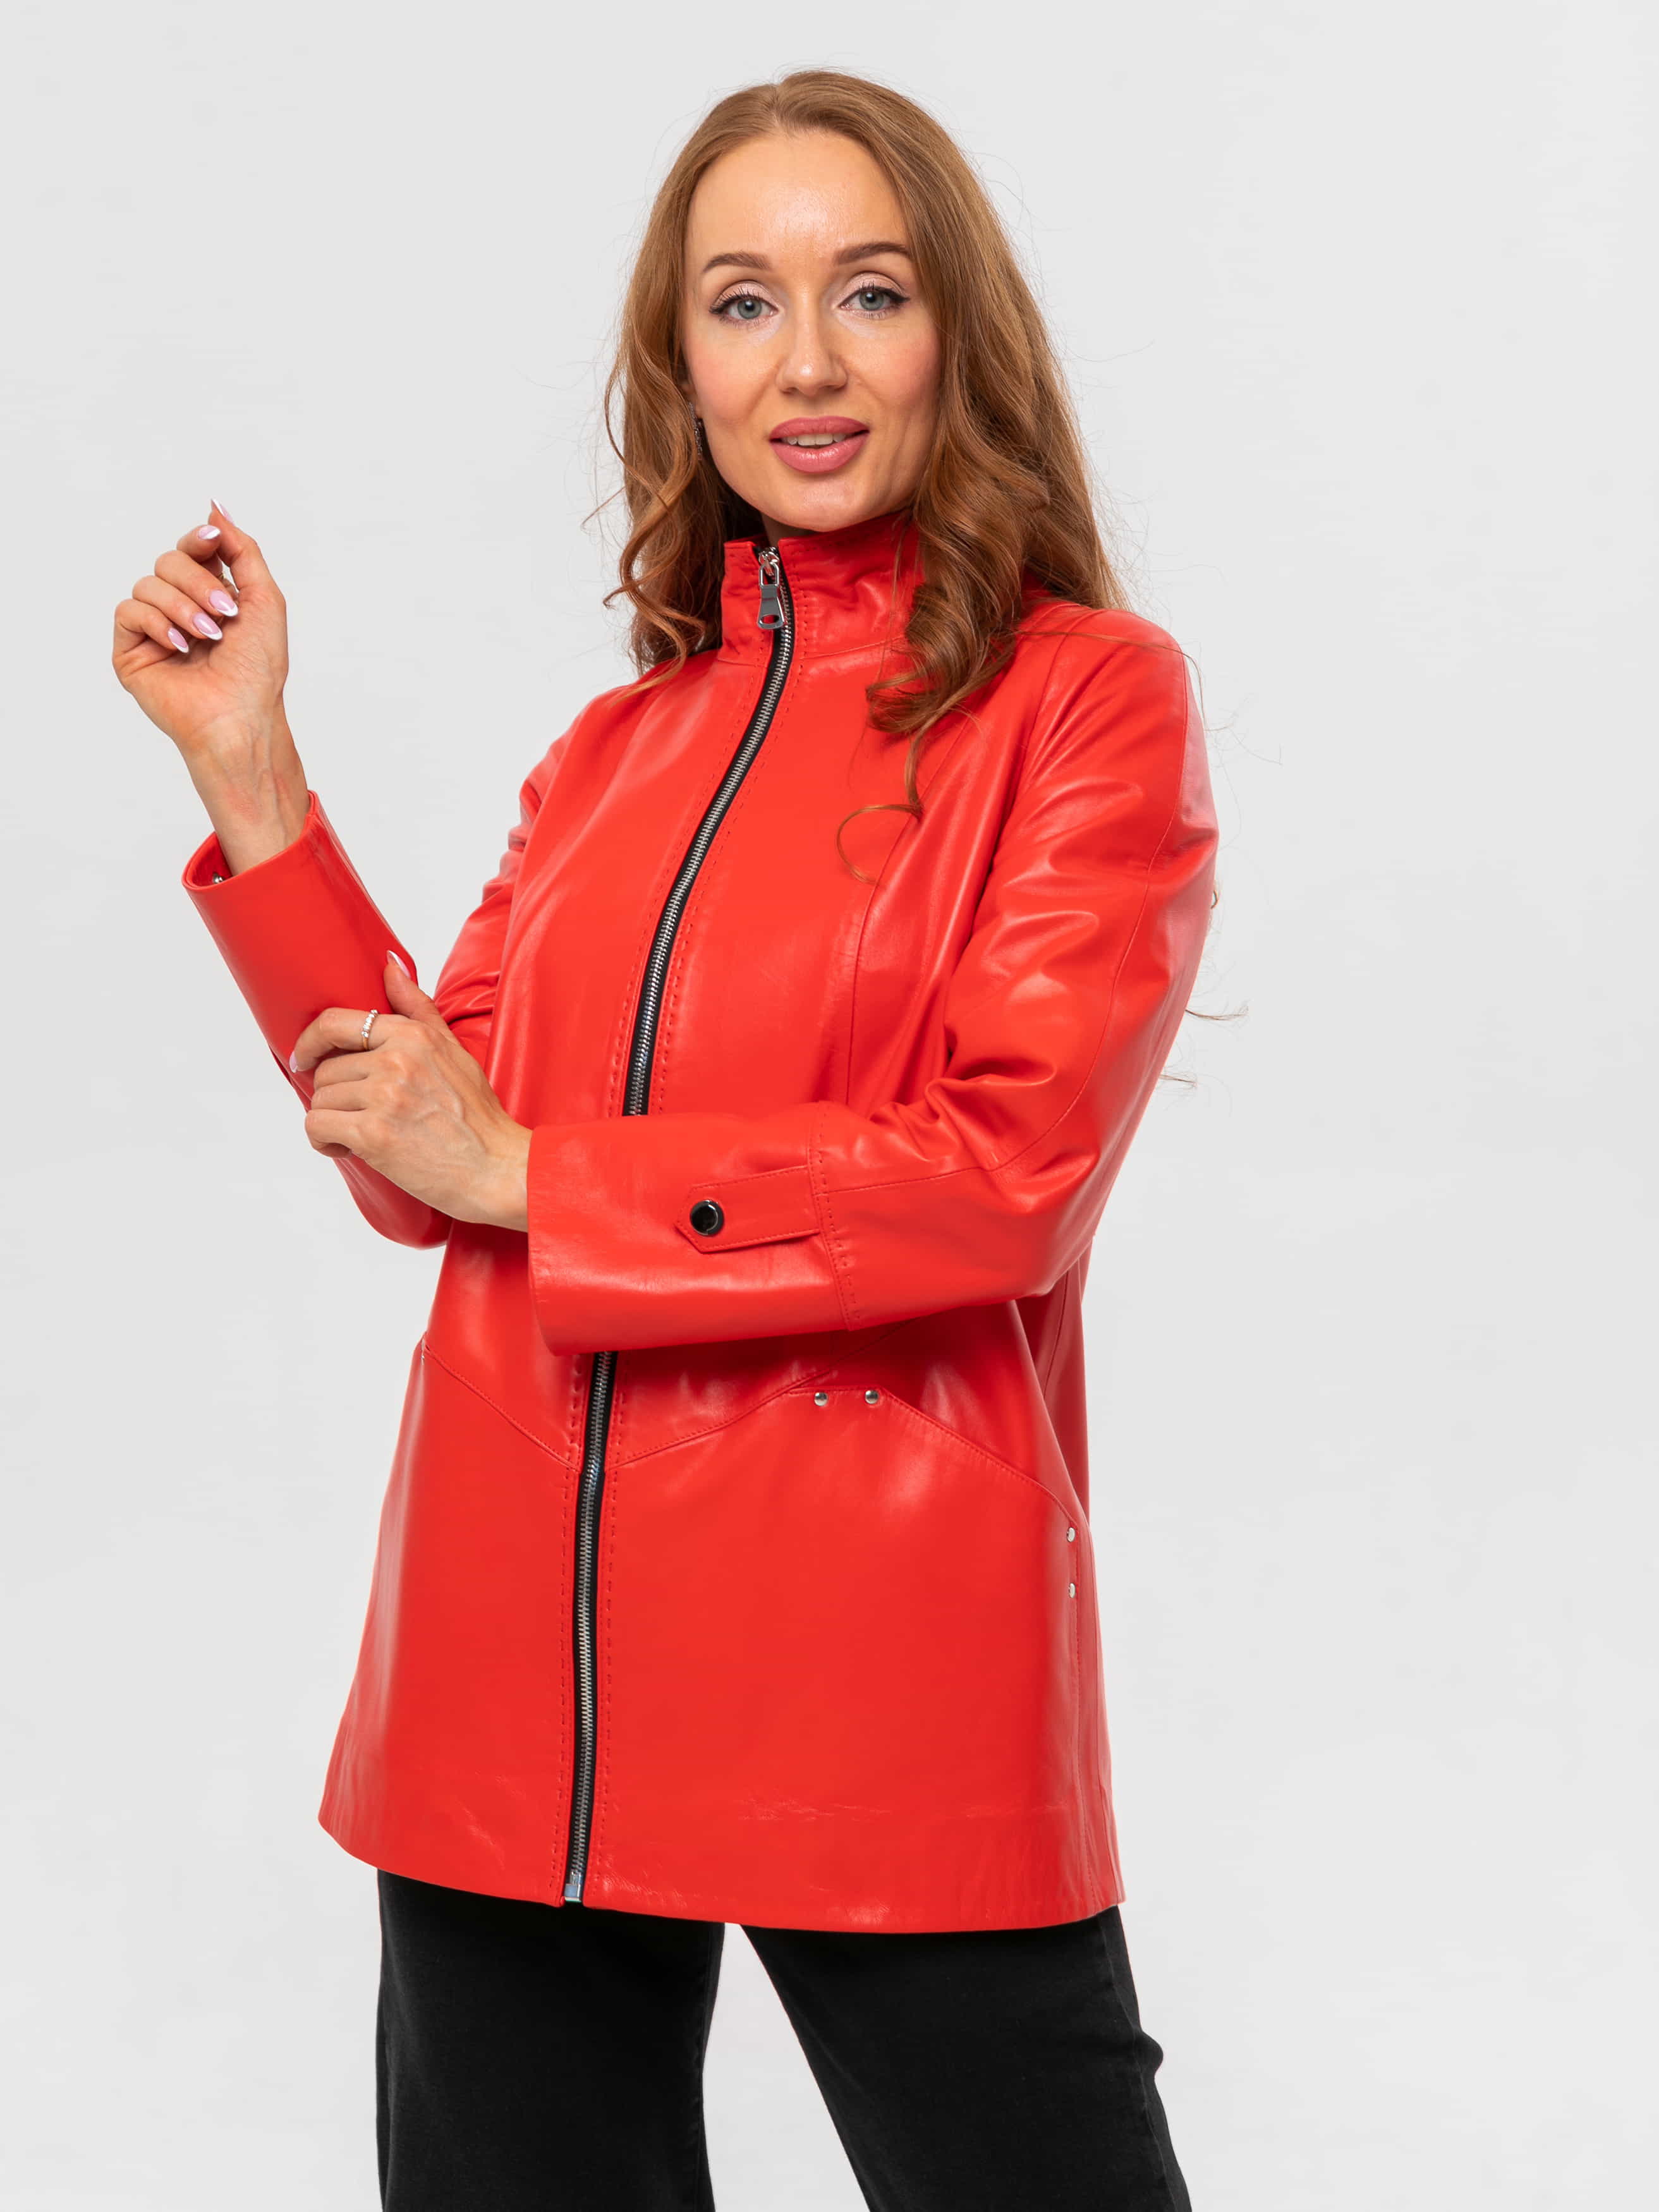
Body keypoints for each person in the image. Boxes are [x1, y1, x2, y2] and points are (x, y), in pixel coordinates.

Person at [111, 68, 1217, 2212]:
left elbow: (1004, 1170)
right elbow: (410, 1150)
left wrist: (544, 1180)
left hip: (880, 1649)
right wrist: (252, 777)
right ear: (679, 366)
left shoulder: (1087, 699)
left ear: (953, 336)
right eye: (740, 302)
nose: (804, 362)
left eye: (867, 292)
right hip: (507, 1665)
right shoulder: (612, 750)